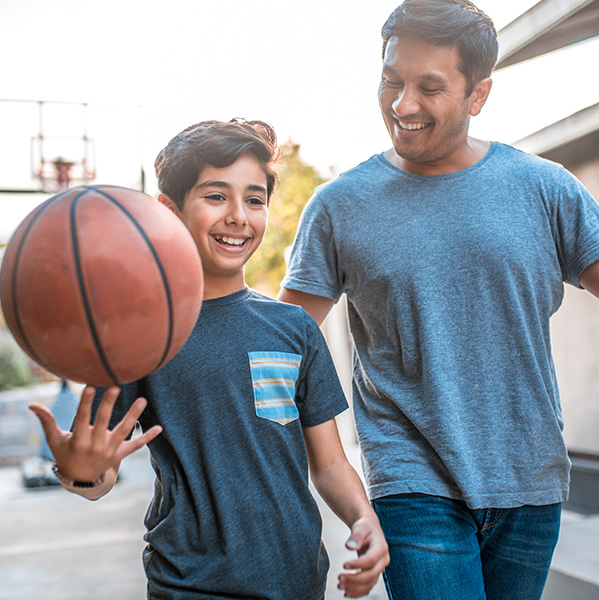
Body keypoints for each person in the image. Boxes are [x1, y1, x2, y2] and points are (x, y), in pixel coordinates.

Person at [278, 1, 599, 599]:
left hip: (530, 480)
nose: (402, 105)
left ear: (478, 95)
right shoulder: (339, 206)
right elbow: (279, 342)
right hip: (411, 481)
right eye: (391, 81)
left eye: (429, 87)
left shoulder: (546, 189)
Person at [29, 118, 389, 600]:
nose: (239, 216)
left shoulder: (293, 328)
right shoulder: (138, 337)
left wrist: (365, 521)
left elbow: (328, 465)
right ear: (168, 212)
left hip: (299, 582)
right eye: (216, 196)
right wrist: (78, 469)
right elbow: (99, 476)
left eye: (255, 199)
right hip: (190, 585)